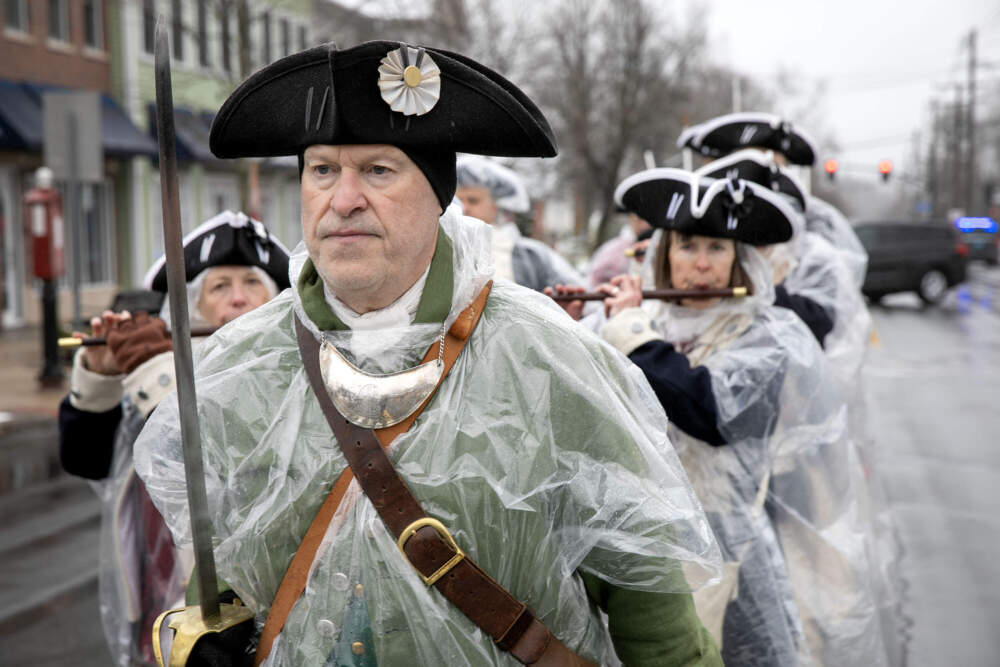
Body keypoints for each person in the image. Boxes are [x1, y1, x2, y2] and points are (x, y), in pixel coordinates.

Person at [134, 41, 723, 666]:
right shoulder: (245, 363)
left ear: (439, 196)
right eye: (322, 170)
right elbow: (230, 571)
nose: (343, 198)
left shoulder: (548, 358)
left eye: (378, 170)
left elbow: (653, 615)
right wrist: (206, 634)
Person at [599, 168, 889, 666]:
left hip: (730, 551)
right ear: (664, 254)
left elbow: (710, 411)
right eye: (687, 247)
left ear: (739, 258)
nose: (702, 264)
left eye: (718, 248)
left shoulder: (770, 335)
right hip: (646, 542)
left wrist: (633, 336)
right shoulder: (637, 318)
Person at [58, 211, 290, 667]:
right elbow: (88, 460)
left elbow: (228, 478)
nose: (238, 298)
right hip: (162, 613)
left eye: (252, 283)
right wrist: (101, 381)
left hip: (251, 623)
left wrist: (159, 378)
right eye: (219, 287)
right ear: (191, 308)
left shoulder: (291, 379)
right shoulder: (159, 367)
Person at [455, 154, 586, 291]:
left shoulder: (530, 256)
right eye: (458, 200)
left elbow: (573, 293)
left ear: (496, 205)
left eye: (473, 201)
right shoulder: (444, 248)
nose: (463, 207)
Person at [587, 210, 653, 288]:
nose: (646, 225)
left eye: (650, 219)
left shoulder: (658, 247)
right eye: (640, 219)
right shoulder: (612, 251)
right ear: (630, 219)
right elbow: (595, 282)